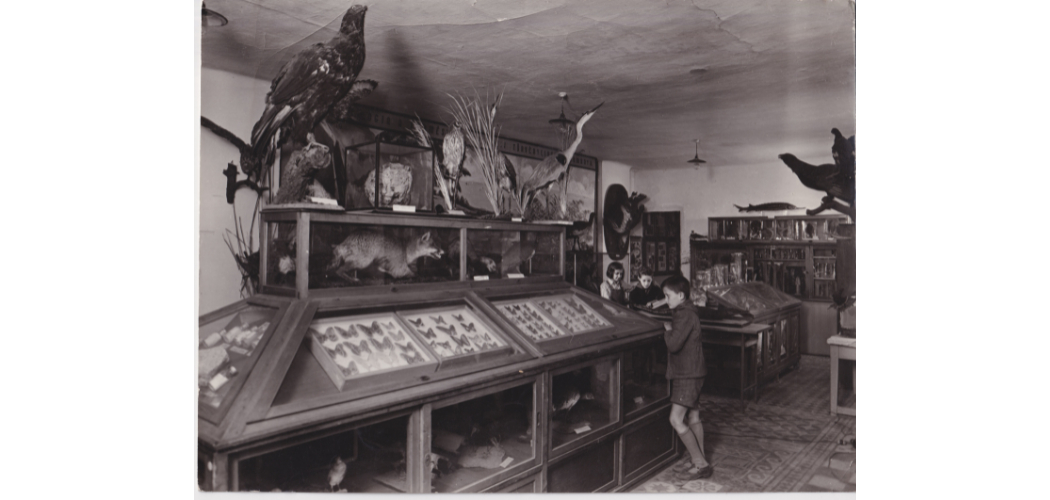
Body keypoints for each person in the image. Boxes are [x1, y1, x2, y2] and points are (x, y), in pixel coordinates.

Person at [661, 274, 713, 480]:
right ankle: (700, 460)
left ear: (681, 296)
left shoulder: (683, 315)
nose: (666, 300)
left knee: (675, 419)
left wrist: (667, 330)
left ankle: (701, 464)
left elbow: (673, 345)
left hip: (687, 374)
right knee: (693, 417)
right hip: (695, 371)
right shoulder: (689, 310)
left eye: (668, 296)